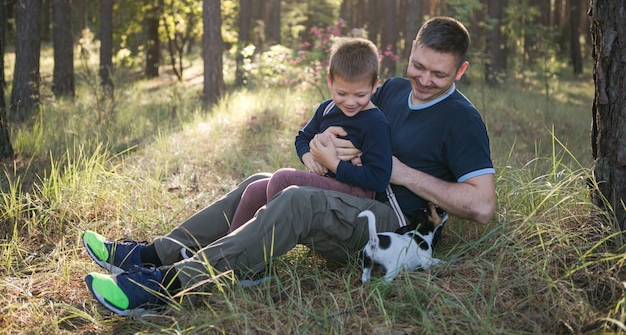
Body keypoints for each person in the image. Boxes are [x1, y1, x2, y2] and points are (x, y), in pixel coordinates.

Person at [83, 16, 496, 317]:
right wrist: (320, 144)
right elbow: (343, 122)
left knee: (298, 201)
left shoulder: (462, 119)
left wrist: (399, 171)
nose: (423, 80)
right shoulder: (392, 89)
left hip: (396, 225)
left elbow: (481, 206)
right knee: (259, 181)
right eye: (418, 66)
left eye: (438, 74)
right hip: (358, 195)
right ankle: (154, 253)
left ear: (460, 70)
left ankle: (164, 287)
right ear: (410, 53)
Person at [229, 37, 392, 232]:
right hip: (327, 184)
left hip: (356, 196)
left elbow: (379, 178)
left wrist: (334, 164)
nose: (350, 102)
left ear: (375, 86)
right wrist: (307, 156)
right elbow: (302, 138)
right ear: (330, 81)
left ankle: (267, 243)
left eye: (360, 95)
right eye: (342, 93)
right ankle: (233, 244)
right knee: (255, 189)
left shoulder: (375, 123)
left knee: (283, 179)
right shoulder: (326, 109)